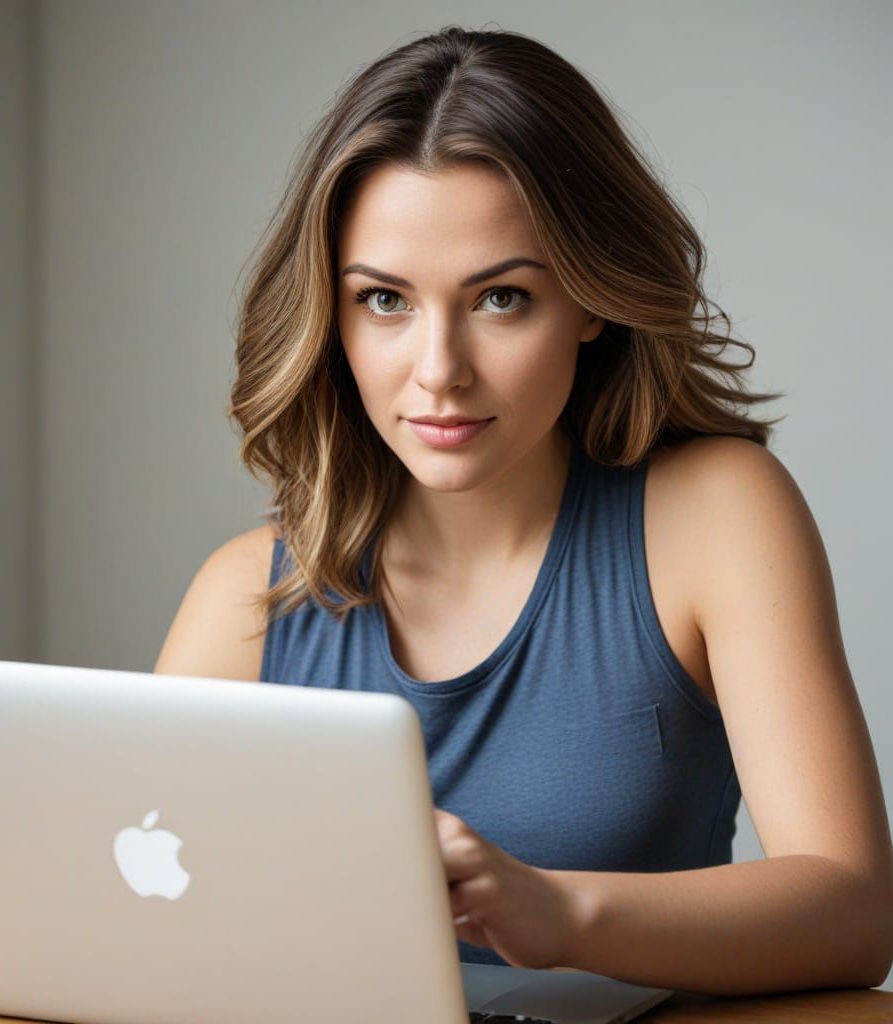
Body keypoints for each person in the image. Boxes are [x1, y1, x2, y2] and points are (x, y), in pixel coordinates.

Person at [154, 25, 893, 996]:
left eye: (500, 298)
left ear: (590, 299)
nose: (438, 371)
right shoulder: (245, 596)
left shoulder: (716, 517)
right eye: (384, 301)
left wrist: (558, 913)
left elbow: (851, 913)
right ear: (330, 318)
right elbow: (130, 905)